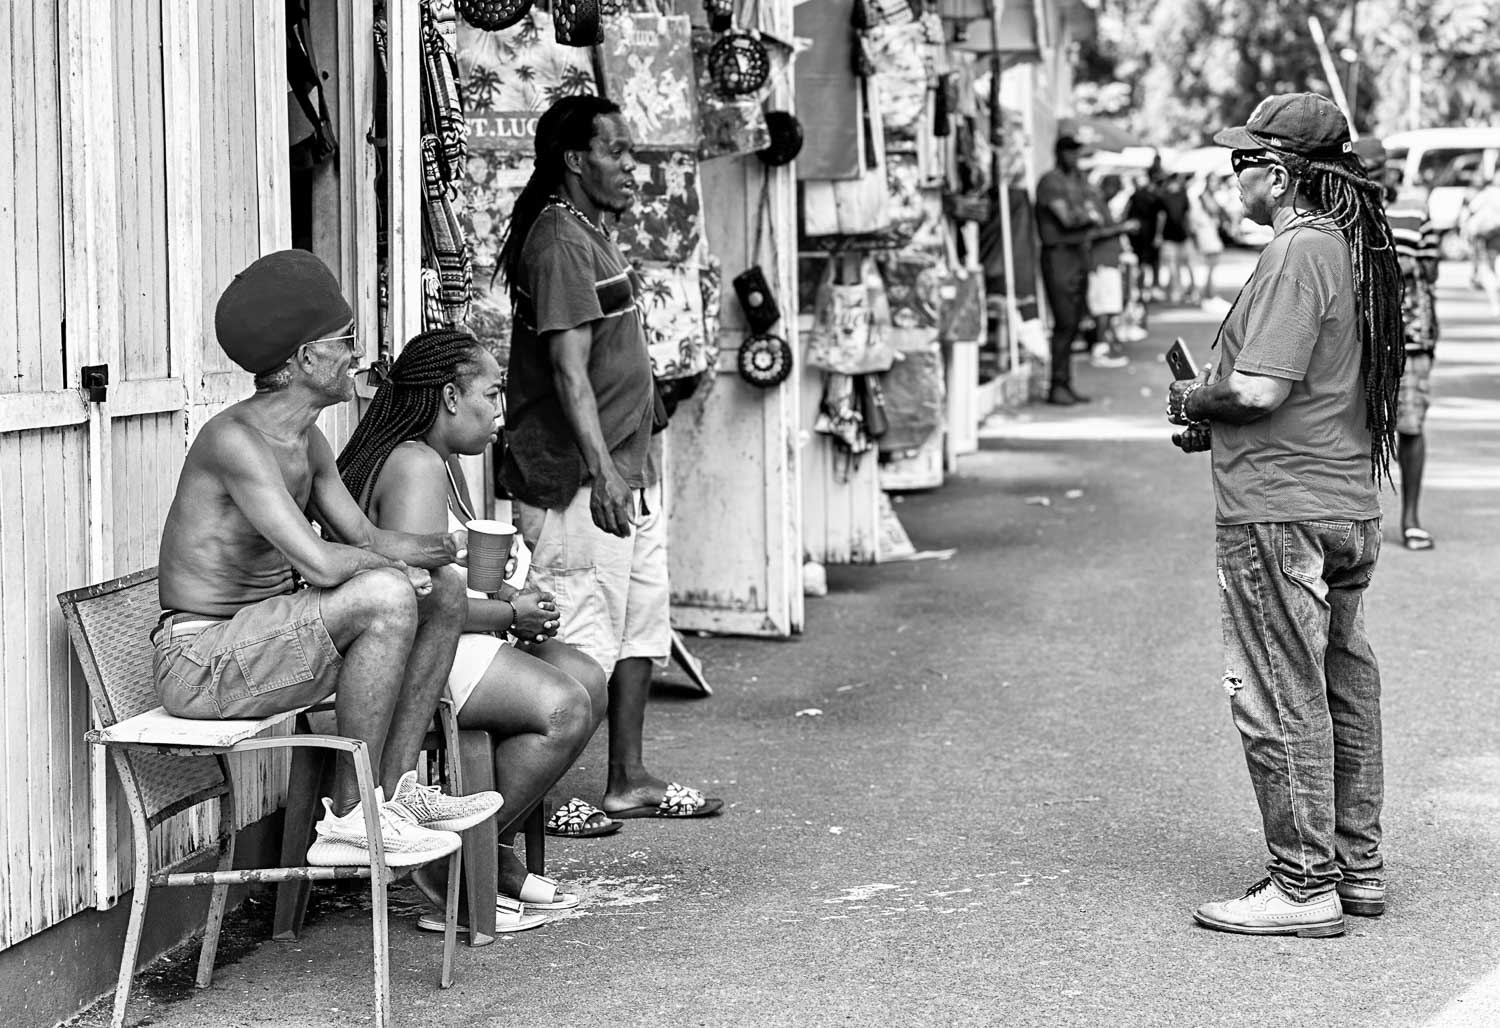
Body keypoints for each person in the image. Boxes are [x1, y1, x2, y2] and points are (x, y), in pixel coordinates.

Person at [155, 249, 501, 868]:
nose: (358, 354)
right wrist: (396, 572)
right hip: (201, 661)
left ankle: (395, 795)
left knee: (445, 588)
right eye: (345, 340)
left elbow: (365, 537)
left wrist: (446, 550)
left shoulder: (306, 438)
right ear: (305, 357)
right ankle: (352, 818)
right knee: (389, 595)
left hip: (256, 642)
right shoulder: (235, 440)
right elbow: (319, 564)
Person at [1167, 93, 1404, 937]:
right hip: (1340, 501)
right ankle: (1355, 869)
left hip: (1280, 507)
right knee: (1341, 684)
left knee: (1279, 691)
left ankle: (1304, 884)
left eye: (1241, 163)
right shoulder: (1352, 246)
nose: (1231, 178)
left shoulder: (1299, 249)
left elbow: (1260, 389)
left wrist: (1196, 397)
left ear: (1276, 175)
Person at [494, 95, 723, 825]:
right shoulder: (559, 241)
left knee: (639, 628)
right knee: (581, 635)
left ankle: (627, 777)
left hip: (626, 469)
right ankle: (538, 801)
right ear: (575, 160)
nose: (631, 165)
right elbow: (568, 376)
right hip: (579, 479)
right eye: (617, 151)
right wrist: (601, 473)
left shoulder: (592, 231)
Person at [338, 328, 612, 931]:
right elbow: (428, 603)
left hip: (456, 638)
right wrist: (512, 616)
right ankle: (457, 869)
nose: (500, 412)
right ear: (449, 397)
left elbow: (461, 578)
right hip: (415, 657)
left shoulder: (442, 461)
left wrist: (513, 599)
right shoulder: (415, 465)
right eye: (491, 394)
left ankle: (493, 851)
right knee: (564, 707)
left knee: (589, 677)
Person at [1357, 138, 1442, 551]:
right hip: (1363, 337)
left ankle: (1411, 518)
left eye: (1375, 172)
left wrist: (1405, 268)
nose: (1369, 181)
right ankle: (1361, 520)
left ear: (1387, 171)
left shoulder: (1413, 209)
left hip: (1411, 335)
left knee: (1410, 424)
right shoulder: (1347, 211)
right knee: (1363, 428)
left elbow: (1431, 267)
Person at [1035, 135, 1104, 404]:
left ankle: (1064, 382)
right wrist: (1087, 216)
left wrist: (1086, 215)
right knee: (1064, 321)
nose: (1075, 158)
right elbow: (1069, 219)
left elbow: (1093, 210)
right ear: (1060, 153)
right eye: (1070, 152)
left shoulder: (1077, 181)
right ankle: (1057, 384)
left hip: (1076, 254)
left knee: (1074, 321)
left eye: (1077, 153)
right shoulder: (1051, 181)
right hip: (1059, 255)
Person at [1084, 173, 1139, 368]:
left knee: (1109, 308)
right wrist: (1123, 227)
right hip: (1101, 263)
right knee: (1103, 309)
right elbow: (1093, 233)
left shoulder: (1103, 205)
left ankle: (1104, 345)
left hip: (1109, 262)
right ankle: (1100, 350)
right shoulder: (1095, 204)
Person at [1125, 167, 1165, 299]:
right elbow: (1161, 216)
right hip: (1146, 234)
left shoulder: (1140, 194)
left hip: (1141, 234)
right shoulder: (1153, 195)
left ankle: (1143, 289)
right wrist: (1158, 234)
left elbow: (1128, 214)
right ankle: (1147, 289)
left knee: (1145, 263)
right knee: (1149, 263)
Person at [1158, 173, 1197, 303]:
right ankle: (1176, 291)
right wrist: (1158, 235)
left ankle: (1189, 290)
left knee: (1186, 264)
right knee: (1173, 265)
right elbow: (1161, 217)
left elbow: (1187, 215)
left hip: (1182, 235)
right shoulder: (1164, 197)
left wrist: (1191, 230)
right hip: (1170, 236)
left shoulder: (1182, 195)